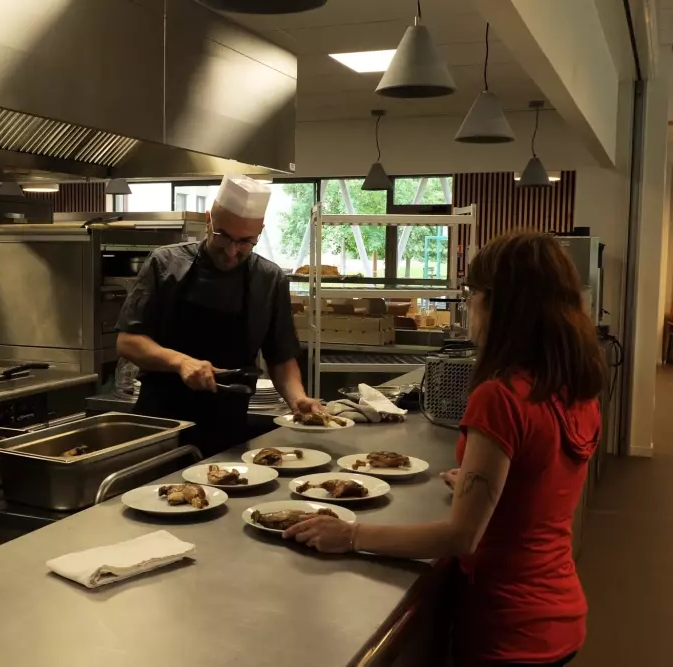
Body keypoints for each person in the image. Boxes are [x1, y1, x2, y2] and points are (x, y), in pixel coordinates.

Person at [284, 232, 604, 667]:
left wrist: (351, 535)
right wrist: (486, 485)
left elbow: (461, 537)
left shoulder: (501, 396)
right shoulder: (576, 389)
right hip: (561, 613)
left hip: (507, 628)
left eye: (473, 293)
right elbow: (543, 486)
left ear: (499, 303)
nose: (469, 305)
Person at [116, 174, 319, 455]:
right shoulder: (165, 264)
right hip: (161, 424)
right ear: (208, 221)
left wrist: (297, 399)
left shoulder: (269, 279)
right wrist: (181, 362)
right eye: (223, 237)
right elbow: (128, 341)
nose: (232, 251)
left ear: (260, 232)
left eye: (245, 241)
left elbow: (281, 356)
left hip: (227, 426)